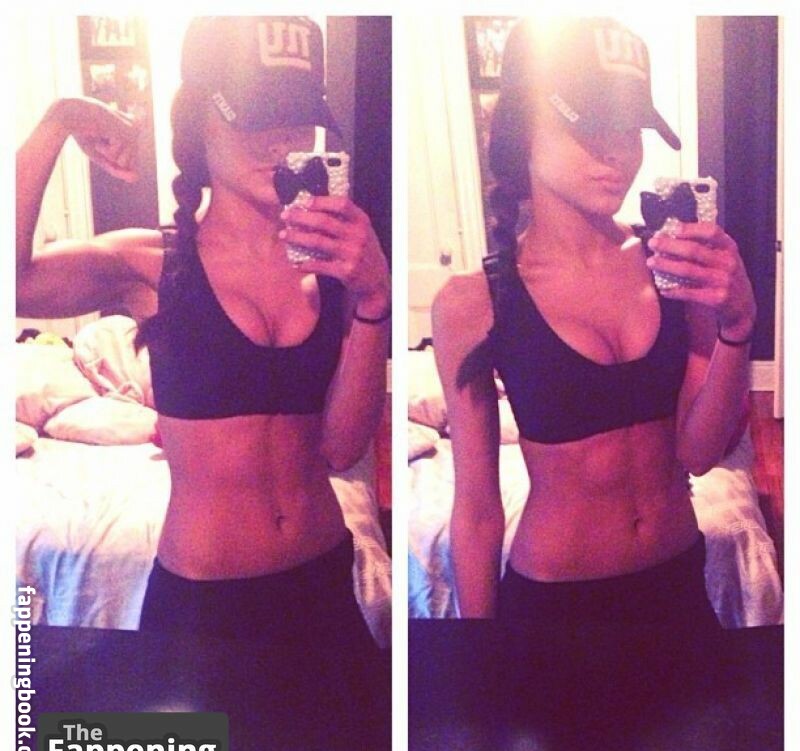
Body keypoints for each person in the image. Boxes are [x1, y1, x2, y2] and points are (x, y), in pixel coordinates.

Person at [16, 16, 390, 650]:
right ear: (199, 125)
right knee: (195, 725)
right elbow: (16, 282)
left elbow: (340, 446)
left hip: (324, 580)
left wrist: (375, 298)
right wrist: (60, 120)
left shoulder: (334, 264)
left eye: (296, 118)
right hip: (204, 604)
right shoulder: (155, 264)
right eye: (257, 116)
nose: (281, 141)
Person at [432, 18, 756, 625]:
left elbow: (698, 453)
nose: (616, 152)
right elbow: (476, 510)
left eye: (629, 129)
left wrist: (738, 326)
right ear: (523, 128)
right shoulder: (473, 303)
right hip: (554, 609)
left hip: (678, 588)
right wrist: (480, 654)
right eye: (588, 126)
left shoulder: (670, 264)